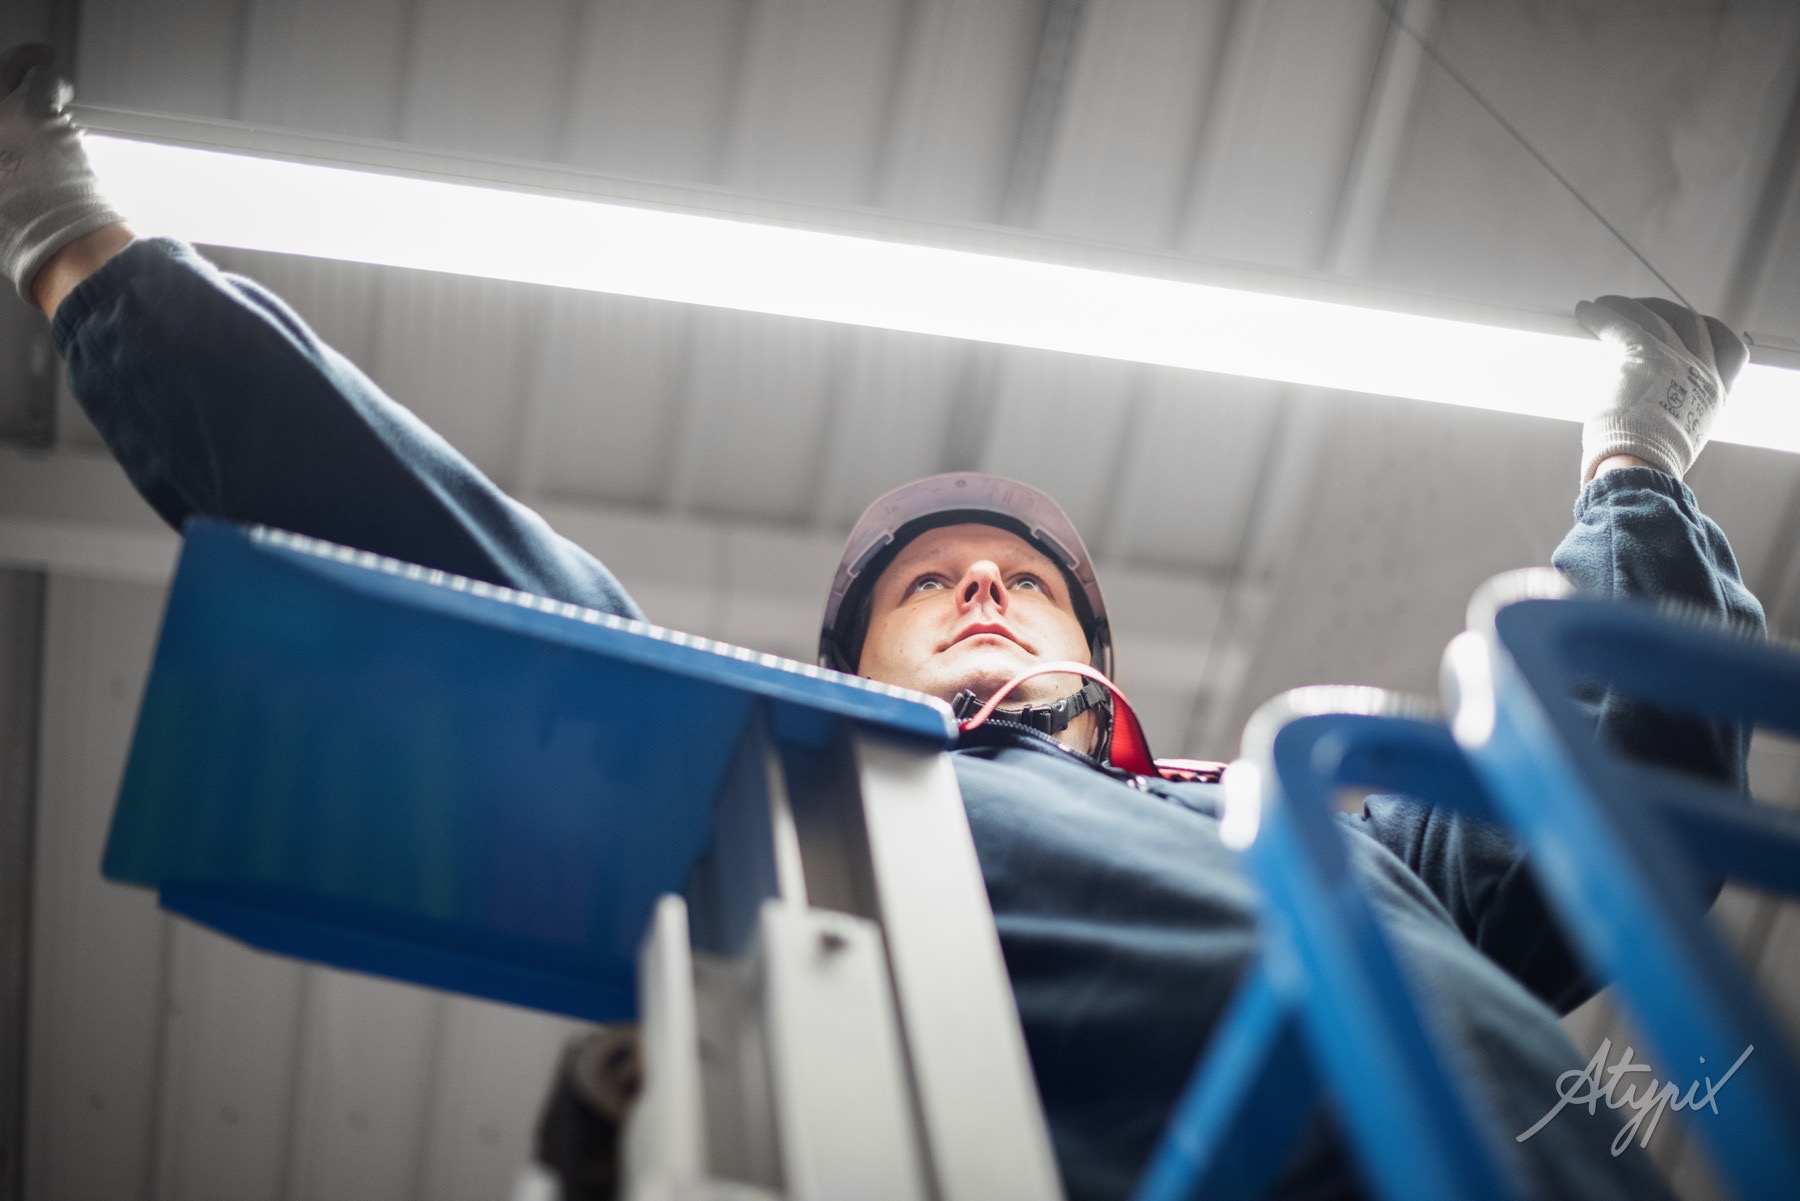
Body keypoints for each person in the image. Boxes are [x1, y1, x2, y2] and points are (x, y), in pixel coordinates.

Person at [1, 44, 1766, 1201]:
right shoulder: (816, 779)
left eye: (1023, 578)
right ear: (858, 665)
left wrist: (1637, 454)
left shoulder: (1334, 815)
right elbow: (469, 584)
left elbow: (1628, 786)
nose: (984, 588)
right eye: (932, 583)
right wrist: (81, 244)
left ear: (1100, 655)